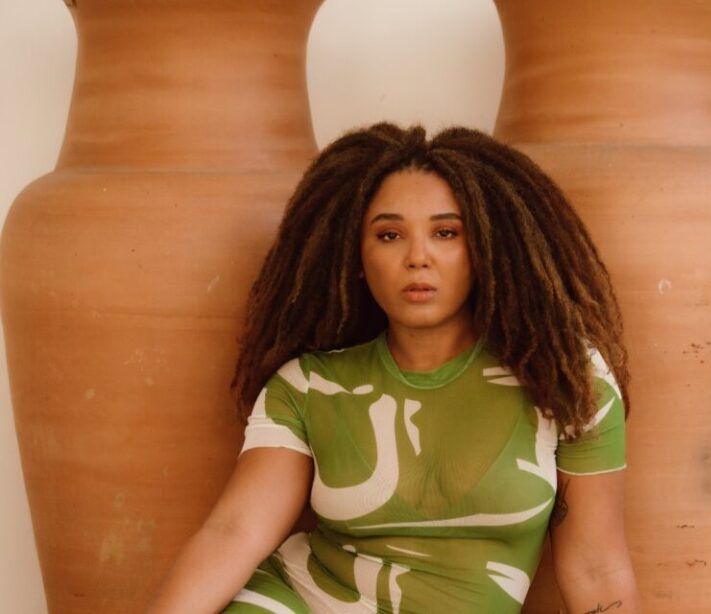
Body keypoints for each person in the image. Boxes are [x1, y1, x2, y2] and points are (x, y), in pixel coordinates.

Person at [146, 123, 641, 613]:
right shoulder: (308, 386)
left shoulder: (565, 382)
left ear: (486, 248)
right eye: (389, 235)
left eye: (446, 233)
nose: (417, 257)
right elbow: (234, 532)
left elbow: (596, 568)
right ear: (356, 257)